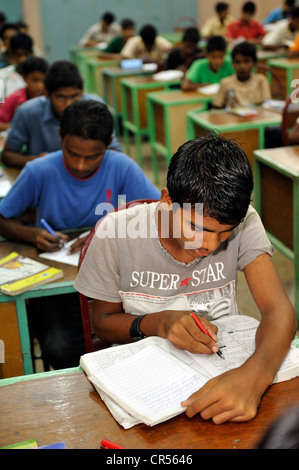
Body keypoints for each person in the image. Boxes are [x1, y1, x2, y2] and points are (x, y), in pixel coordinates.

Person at [74, 132, 296, 424]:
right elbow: (101, 323)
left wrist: (254, 377)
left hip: (225, 374)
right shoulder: (115, 232)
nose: (211, 245)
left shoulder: (246, 221)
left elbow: (278, 309)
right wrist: (159, 323)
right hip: (145, 383)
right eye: (197, 227)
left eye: (224, 231)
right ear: (167, 200)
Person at [0, 99, 160, 369]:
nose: (82, 165)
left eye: (93, 156)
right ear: (60, 136)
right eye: (72, 153)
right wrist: (32, 235)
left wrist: (109, 229)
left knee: (132, 342)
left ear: (108, 143)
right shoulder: (39, 170)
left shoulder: (122, 166)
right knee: (60, 348)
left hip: (114, 281)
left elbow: (158, 214)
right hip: (58, 280)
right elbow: (3, 217)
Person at [1, 60, 122, 168]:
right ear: (47, 94)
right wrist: (36, 160)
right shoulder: (28, 113)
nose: (68, 104)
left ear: (83, 92)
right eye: (60, 97)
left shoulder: (96, 108)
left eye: (75, 96)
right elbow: (8, 155)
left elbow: (115, 151)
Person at [212, 41, 271, 108]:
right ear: (233, 64)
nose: (242, 66)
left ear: (254, 63)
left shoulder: (261, 80)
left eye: (246, 61)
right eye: (237, 62)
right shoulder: (225, 83)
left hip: (257, 118)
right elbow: (216, 108)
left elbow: (267, 105)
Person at [0, 56, 48, 131]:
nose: (39, 86)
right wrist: (19, 126)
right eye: (35, 80)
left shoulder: (49, 98)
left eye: (43, 80)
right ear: (24, 78)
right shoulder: (14, 98)